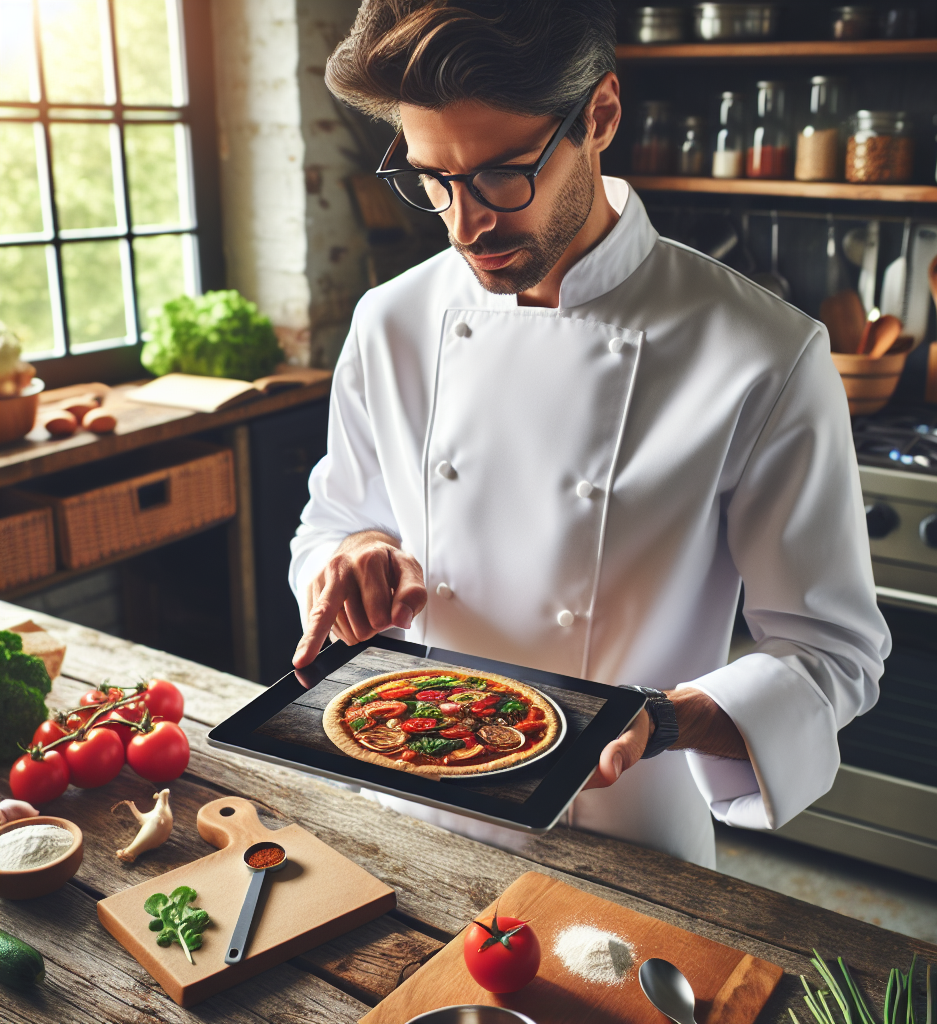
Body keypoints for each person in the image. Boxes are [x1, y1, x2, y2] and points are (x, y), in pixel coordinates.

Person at [289, 0, 890, 867]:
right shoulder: (392, 321)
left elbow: (834, 656)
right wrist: (352, 559)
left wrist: (660, 719)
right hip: (405, 808)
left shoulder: (763, 352)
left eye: (502, 174)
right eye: (433, 178)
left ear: (600, 115)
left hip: (620, 833)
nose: (466, 224)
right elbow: (335, 522)